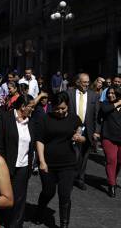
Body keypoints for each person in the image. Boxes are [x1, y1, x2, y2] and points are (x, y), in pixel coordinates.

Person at [35, 92, 86, 228]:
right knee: (48, 191)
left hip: (68, 163)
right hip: (48, 163)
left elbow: (81, 132)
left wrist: (80, 137)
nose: (60, 111)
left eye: (63, 108)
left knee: (64, 194)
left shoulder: (74, 118)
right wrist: (41, 161)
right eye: (57, 108)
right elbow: (39, 140)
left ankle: (64, 224)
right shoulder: (45, 119)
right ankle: (40, 210)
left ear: (68, 106)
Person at [0, 94, 36, 228]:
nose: (32, 110)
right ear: (23, 106)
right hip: (6, 165)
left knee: (19, 198)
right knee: (3, 195)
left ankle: (15, 225)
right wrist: (1, 163)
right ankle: (0, 218)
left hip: (23, 166)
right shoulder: (5, 118)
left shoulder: (31, 122)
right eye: (31, 107)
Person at [66, 73, 100, 190]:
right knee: (74, 154)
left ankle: (80, 178)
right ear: (77, 82)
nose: (87, 84)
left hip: (88, 129)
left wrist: (96, 131)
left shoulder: (93, 96)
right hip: (72, 128)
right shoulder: (69, 94)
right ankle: (70, 177)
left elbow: (96, 115)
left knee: (84, 155)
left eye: (88, 82)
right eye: (84, 82)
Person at [98, 86, 121, 197]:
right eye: (109, 93)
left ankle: (112, 178)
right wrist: (118, 103)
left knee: (119, 161)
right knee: (111, 160)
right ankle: (111, 185)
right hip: (108, 137)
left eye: (113, 93)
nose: (110, 95)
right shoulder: (105, 104)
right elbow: (105, 110)